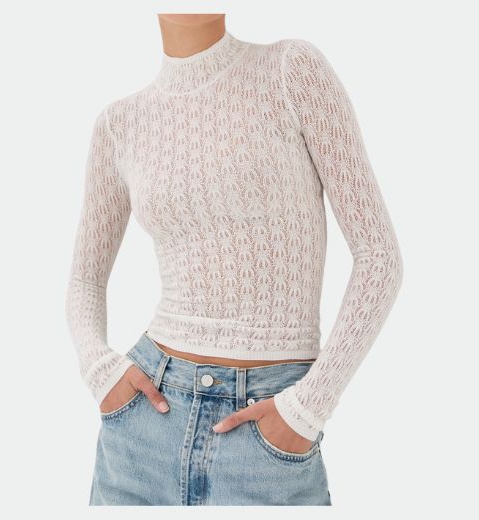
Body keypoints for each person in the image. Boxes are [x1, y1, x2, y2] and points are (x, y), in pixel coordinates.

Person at [65, 13, 403, 506]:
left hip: (270, 429)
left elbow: (379, 256)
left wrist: (308, 408)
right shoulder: (120, 123)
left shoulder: (290, 70)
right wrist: (100, 369)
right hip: (142, 428)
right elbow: (85, 279)